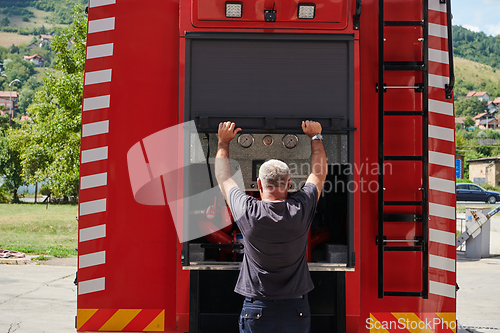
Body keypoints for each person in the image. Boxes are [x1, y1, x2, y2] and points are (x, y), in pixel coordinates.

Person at [215, 120, 327, 333]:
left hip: (257, 309)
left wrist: (223, 143)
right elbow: (318, 174)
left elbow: (224, 178)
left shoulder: (248, 211)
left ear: (258, 184)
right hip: (296, 308)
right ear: (289, 183)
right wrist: (316, 137)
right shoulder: (300, 209)